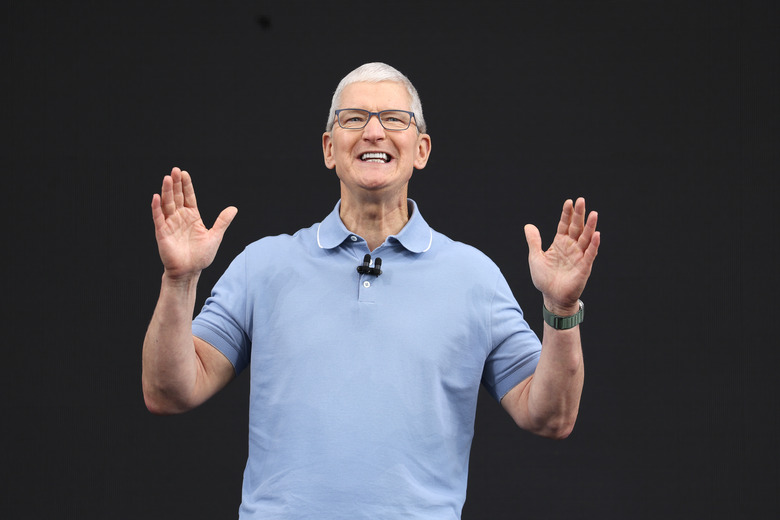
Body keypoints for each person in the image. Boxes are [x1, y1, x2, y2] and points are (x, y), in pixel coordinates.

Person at [142, 62, 600, 519]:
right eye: (354, 118)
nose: (374, 132)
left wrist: (561, 308)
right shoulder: (261, 266)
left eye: (394, 119)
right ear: (329, 148)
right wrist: (179, 281)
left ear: (421, 149)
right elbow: (169, 392)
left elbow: (550, 417)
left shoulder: (475, 278)